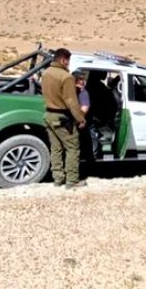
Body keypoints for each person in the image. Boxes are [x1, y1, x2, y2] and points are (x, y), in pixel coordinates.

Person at [42, 48, 87, 189]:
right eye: (68, 61)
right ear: (63, 60)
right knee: (72, 148)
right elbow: (71, 101)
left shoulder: (46, 73)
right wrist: (80, 119)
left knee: (55, 148)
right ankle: (72, 181)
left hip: (48, 114)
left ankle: (58, 178)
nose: (68, 64)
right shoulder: (66, 77)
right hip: (62, 117)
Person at [72, 70, 102, 159]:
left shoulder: (83, 92)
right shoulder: (77, 91)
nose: (82, 81)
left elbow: (85, 108)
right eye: (80, 79)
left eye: (83, 79)